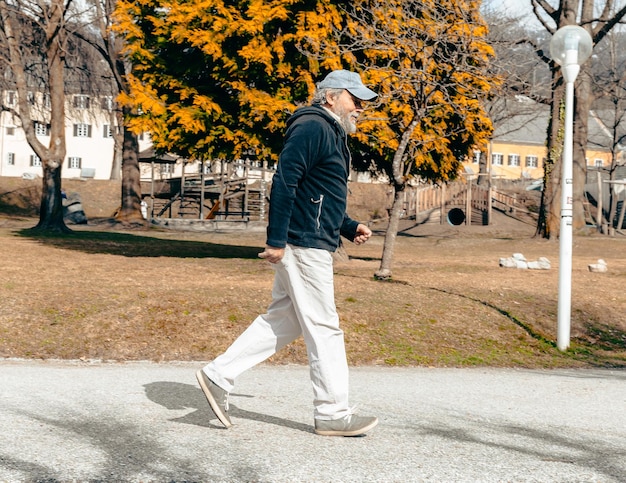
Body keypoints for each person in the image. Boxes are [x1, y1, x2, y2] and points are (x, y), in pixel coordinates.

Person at [196, 69, 378, 437]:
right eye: (354, 99)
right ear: (330, 97)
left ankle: (218, 374)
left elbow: (318, 192)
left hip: (311, 238)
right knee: (325, 327)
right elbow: (284, 182)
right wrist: (276, 240)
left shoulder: (330, 131)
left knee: (286, 320)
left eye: (363, 101)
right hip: (303, 243)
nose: (360, 107)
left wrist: (346, 225)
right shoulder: (313, 126)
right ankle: (332, 411)